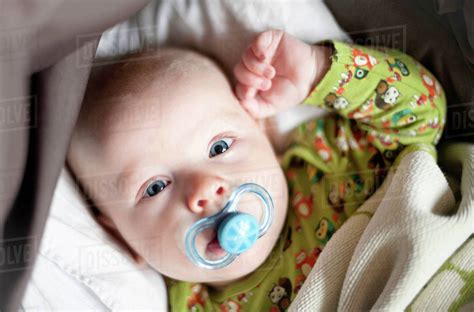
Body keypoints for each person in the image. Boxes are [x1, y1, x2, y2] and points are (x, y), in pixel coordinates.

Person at [67, 29, 445, 311]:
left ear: (263, 130)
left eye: (218, 147)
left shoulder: (334, 159)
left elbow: (424, 114)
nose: (205, 189)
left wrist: (318, 71)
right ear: (119, 234)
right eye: (154, 187)